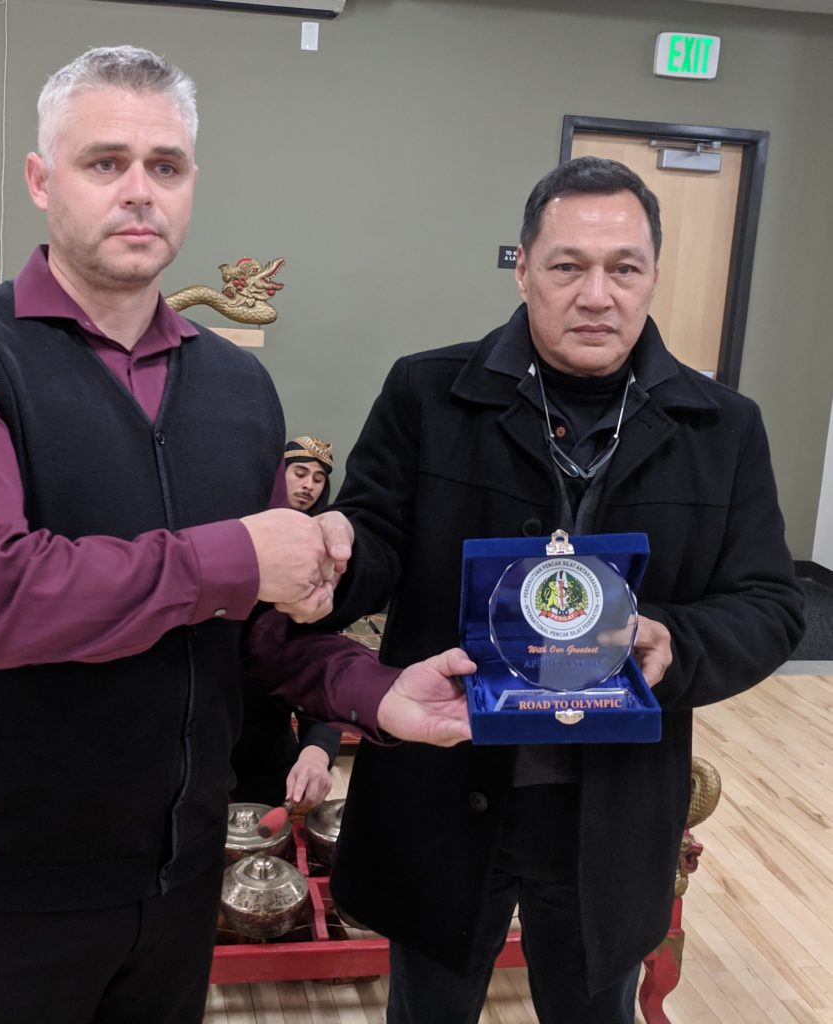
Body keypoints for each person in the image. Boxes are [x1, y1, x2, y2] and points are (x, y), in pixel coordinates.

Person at [0, 45, 473, 1024]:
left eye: (166, 166)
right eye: (105, 162)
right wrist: (239, 554)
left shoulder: (237, 387)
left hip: (186, 875)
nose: (139, 190)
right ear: (41, 180)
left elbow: (256, 638)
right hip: (8, 889)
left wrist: (376, 689)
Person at [307, 156, 805, 1023]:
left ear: (653, 275)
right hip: (446, 779)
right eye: (567, 266)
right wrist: (335, 558)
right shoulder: (427, 393)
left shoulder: (722, 427)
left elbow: (768, 603)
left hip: (611, 808)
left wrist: (675, 641)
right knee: (426, 1007)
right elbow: (376, 539)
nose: (595, 295)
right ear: (523, 270)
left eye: (624, 269)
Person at [232, 437, 341, 808]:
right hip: (193, 756)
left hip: (267, 761)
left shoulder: (321, 570)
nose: (309, 485)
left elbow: (318, 673)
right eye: (300, 473)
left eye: (318, 479)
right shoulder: (231, 541)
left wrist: (316, 751)